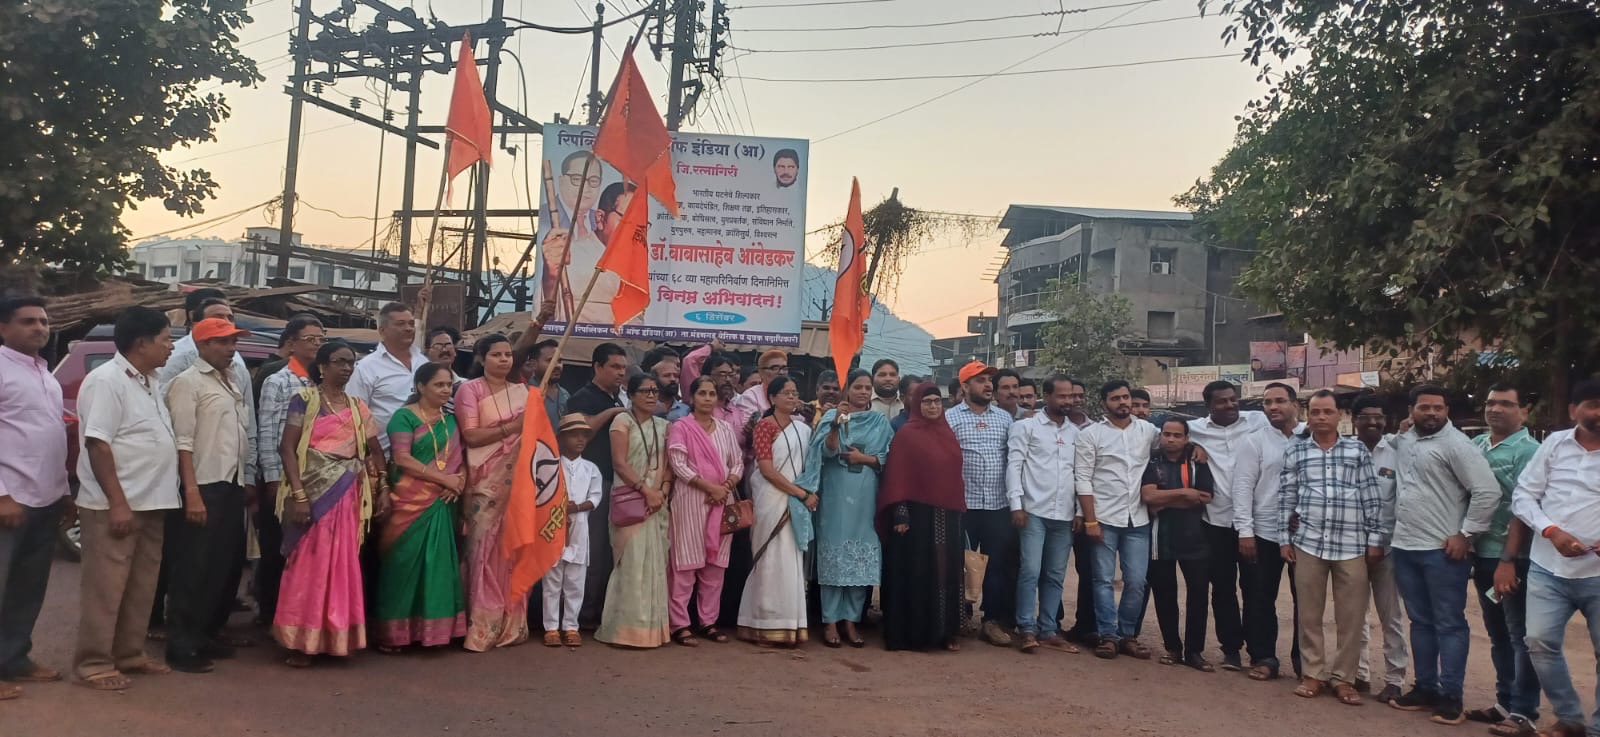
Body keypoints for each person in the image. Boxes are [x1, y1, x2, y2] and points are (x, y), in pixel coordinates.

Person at [73, 306, 179, 690]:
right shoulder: (107, 381)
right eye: (166, 339)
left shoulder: (150, 380)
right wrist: (117, 502)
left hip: (152, 501)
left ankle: (129, 654)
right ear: (142, 343)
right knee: (106, 587)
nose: (171, 347)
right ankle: (94, 663)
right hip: (115, 505)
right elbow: (98, 445)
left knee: (141, 586)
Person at [1388, 385, 1500, 724]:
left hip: (1442, 552)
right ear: (1412, 410)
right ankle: (1425, 688)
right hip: (1405, 546)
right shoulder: (1405, 440)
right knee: (1420, 622)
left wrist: (1466, 534)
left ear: (1447, 410)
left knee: (1449, 623)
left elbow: (1487, 491)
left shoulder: (1457, 445)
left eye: (1438, 407)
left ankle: (1451, 696)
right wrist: (1401, 430)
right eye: (1425, 407)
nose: (1432, 413)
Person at [274, 341, 387, 667]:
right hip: (312, 495)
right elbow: (287, 448)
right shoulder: (305, 400)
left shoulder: (358, 407)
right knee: (308, 564)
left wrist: (383, 487)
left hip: (347, 497)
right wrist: (299, 495)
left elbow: (374, 451)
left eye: (351, 362)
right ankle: (302, 642)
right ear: (322, 367)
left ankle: (336, 639)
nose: (347, 368)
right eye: (339, 361)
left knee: (342, 564)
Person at [1279, 390, 1386, 706]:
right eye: (1315, 412)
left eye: (1327, 411)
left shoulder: (1356, 450)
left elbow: (1371, 496)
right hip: (1308, 543)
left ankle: (1344, 679)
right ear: (1307, 416)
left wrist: (1375, 540)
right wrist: (1283, 538)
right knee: (1309, 614)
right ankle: (1313, 674)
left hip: (1352, 544)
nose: (1321, 417)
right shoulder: (1296, 450)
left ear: (1340, 415)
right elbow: (1286, 496)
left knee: (1351, 617)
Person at [162, 318, 257, 673]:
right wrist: (192, 493)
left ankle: (203, 634)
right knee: (192, 566)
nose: (231, 348)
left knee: (222, 564)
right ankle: (180, 644)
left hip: (230, 482)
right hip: (202, 484)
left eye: (233, 341)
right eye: (222, 342)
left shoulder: (229, 380)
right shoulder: (187, 383)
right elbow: (183, 443)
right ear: (202, 345)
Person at [1512, 379, 1600, 737]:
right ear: (1573, 410)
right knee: (1538, 642)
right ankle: (1570, 717)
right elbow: (1523, 496)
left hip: (1597, 573)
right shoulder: (1553, 445)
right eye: (1593, 404)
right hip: (1548, 567)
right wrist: (1551, 531)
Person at [0, 297, 70, 696]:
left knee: (27, 589)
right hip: (10, 499)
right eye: (28, 321)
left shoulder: (46, 375)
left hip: (44, 498)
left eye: (43, 321)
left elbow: (52, 438)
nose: (39, 328)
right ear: (3, 327)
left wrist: (63, 492)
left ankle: (13, 659)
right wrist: (1, 496)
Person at [1465, 383, 1543, 733]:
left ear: (1524, 411)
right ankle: (1504, 702)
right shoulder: (1478, 445)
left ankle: (1524, 712)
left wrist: (1509, 560)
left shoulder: (1530, 451)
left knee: (1520, 635)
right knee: (1497, 633)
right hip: (1482, 555)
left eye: (1506, 404)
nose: (1495, 409)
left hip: (1513, 558)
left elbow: (1524, 509)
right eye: (1491, 402)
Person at [375, 363, 467, 652]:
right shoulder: (403, 417)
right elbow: (402, 458)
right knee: (402, 566)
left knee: (437, 568)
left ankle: (434, 634)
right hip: (408, 503)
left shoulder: (451, 420)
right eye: (439, 384)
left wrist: (459, 482)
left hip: (442, 502)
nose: (446, 390)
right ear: (420, 386)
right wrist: (444, 480)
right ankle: (394, 636)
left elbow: (461, 460)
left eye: (448, 385)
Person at [801, 369, 890, 649]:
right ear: (847, 390)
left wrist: (864, 458)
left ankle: (851, 621)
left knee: (861, 561)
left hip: (866, 497)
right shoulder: (832, 416)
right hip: (836, 497)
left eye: (867, 387)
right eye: (858, 387)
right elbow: (825, 452)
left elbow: (889, 456)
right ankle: (830, 621)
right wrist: (835, 425)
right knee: (834, 559)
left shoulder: (879, 421)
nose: (863, 392)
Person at [455, 334, 532, 651]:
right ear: (481, 357)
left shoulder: (523, 392)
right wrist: (514, 427)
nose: (504, 360)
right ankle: (480, 625)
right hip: (485, 481)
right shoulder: (469, 390)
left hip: (519, 480)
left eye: (507, 355)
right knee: (481, 550)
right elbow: (472, 436)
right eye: (496, 354)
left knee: (512, 550)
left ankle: (511, 623)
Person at [1186, 380, 1268, 671]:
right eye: (1222, 401)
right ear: (1208, 405)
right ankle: (1231, 649)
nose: (1231, 405)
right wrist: (1193, 445)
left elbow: (1294, 427)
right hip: (1215, 522)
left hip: (1254, 523)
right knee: (1222, 588)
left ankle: (1259, 652)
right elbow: (1164, 435)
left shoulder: (1257, 421)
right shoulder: (1194, 429)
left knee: (1255, 588)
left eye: (1233, 399)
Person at [879, 383, 967, 652]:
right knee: (917, 572)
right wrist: (900, 514)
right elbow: (897, 476)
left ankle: (946, 632)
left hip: (947, 516)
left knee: (946, 572)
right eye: (927, 401)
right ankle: (915, 634)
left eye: (937, 401)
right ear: (916, 404)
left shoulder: (947, 433)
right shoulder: (907, 435)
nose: (932, 406)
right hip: (916, 518)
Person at [1075, 379, 1159, 659]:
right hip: (1104, 518)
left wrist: (1196, 447)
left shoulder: (1148, 431)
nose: (1123, 402)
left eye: (1125, 397)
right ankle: (1108, 636)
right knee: (1102, 580)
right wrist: (1090, 521)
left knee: (1136, 581)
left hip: (1138, 519)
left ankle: (1127, 635)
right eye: (1116, 398)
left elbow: (1174, 443)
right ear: (1104, 403)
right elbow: (1083, 479)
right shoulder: (1091, 435)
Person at [1234, 382, 1308, 683]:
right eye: (1267, 403)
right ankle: (1263, 656)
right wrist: (1245, 531)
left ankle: (1306, 662)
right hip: (1263, 532)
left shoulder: (1312, 436)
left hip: (1305, 534)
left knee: (1307, 600)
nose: (1273, 407)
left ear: (1295, 405)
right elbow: (1242, 487)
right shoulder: (1254, 441)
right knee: (1259, 597)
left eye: (1279, 401)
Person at [666, 375, 745, 645]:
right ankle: (679, 624)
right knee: (685, 565)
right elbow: (678, 464)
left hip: (722, 502)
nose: (708, 399)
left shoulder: (725, 429)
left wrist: (726, 486)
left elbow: (737, 463)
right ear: (692, 397)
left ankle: (708, 622)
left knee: (715, 567)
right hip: (691, 501)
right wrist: (710, 488)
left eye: (712, 394)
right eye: (703, 393)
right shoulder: (681, 427)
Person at [255, 316, 324, 624]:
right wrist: (271, 477)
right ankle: (269, 612)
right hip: (283, 476)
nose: (316, 344)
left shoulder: (322, 380)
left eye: (320, 339)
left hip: (317, 477)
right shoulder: (278, 381)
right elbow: (268, 431)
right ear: (292, 344)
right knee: (276, 547)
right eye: (310, 339)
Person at [738, 376, 815, 647]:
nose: (792, 397)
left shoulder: (802, 429)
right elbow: (767, 470)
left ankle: (789, 623)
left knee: (790, 560)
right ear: (772, 398)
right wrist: (800, 494)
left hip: (795, 501)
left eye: (795, 392)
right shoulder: (764, 426)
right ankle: (763, 622)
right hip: (772, 500)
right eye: (786, 393)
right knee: (770, 560)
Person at [596, 375, 672, 648]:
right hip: (631, 499)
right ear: (630, 394)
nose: (651, 396)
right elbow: (619, 463)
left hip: (657, 502)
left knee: (654, 564)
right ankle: (623, 631)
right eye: (645, 391)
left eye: (655, 391)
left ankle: (651, 631)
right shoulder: (622, 421)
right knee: (630, 562)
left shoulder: (664, 426)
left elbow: (668, 465)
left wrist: (662, 490)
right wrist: (646, 490)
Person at [1007, 375, 1081, 654]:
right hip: (1033, 510)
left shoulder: (1076, 433)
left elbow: (1080, 473)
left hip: (1064, 513)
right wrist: (1016, 505)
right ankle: (1026, 628)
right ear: (1046, 396)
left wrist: (1079, 511)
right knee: (1030, 570)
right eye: (1061, 396)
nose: (1067, 401)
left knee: (1055, 574)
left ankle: (1048, 629)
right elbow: (1014, 465)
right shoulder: (1026, 427)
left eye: (1070, 396)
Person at [946, 361, 1016, 646]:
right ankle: (958, 617)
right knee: (959, 565)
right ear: (964, 387)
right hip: (963, 505)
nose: (988, 385)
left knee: (996, 566)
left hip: (997, 505)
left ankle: (991, 621)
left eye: (989, 380)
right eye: (980, 380)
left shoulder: (1004, 419)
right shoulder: (950, 418)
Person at [1142, 418, 1216, 671]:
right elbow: (1148, 496)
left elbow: (1205, 496)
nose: (1171, 439)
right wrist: (1185, 493)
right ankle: (1172, 648)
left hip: (1195, 538)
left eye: (1177, 435)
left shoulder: (1197, 461)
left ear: (1186, 438)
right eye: (1167, 434)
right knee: (1164, 594)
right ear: (1160, 435)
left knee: (1198, 595)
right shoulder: (1152, 461)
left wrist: (1164, 501)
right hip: (1160, 538)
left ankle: (1194, 652)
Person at [569, 343, 630, 630]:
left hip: (616, 480)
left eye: (623, 368)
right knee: (589, 550)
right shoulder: (583, 397)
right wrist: (612, 412)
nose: (620, 373)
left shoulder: (618, 396)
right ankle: (582, 614)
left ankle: (599, 610)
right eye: (615, 367)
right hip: (590, 484)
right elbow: (581, 433)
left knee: (608, 551)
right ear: (597, 367)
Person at [1351, 394, 1408, 702]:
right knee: (1354, 616)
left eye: (1378, 417)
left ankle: (1395, 679)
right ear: (1354, 421)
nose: (1372, 422)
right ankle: (1359, 674)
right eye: (1365, 417)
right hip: (1351, 548)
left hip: (1387, 550)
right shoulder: (1345, 452)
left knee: (1391, 617)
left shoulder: (1397, 451)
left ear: (1386, 421)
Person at [542, 414, 603, 648]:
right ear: (561, 439)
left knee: (575, 582)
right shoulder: (550, 467)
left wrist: (576, 507)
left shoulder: (591, 468)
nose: (580, 440)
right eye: (574, 435)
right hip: (553, 527)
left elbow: (595, 497)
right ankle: (551, 627)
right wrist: (558, 507)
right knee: (552, 580)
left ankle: (571, 626)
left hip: (579, 527)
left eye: (584, 436)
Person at [348, 302, 427, 452]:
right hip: (384, 454)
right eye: (400, 324)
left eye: (411, 324)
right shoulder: (365, 368)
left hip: (425, 452)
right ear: (382, 330)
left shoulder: (423, 362)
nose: (408, 328)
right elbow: (355, 417)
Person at [734, 350, 788, 418]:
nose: (781, 372)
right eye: (775, 368)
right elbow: (748, 424)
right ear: (761, 372)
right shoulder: (750, 397)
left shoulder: (790, 395)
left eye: (784, 368)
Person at [641, 347, 688, 420]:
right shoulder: (640, 406)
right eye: (667, 375)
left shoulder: (686, 411)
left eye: (678, 365)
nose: (673, 379)